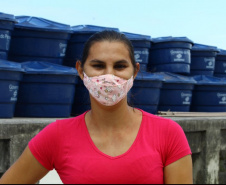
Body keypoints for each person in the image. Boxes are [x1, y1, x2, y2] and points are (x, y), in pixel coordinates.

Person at [0, 30, 193, 184]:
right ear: (81, 71)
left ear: (135, 71)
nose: (109, 76)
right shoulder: (57, 135)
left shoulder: (168, 134)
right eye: (98, 66)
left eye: (119, 66)